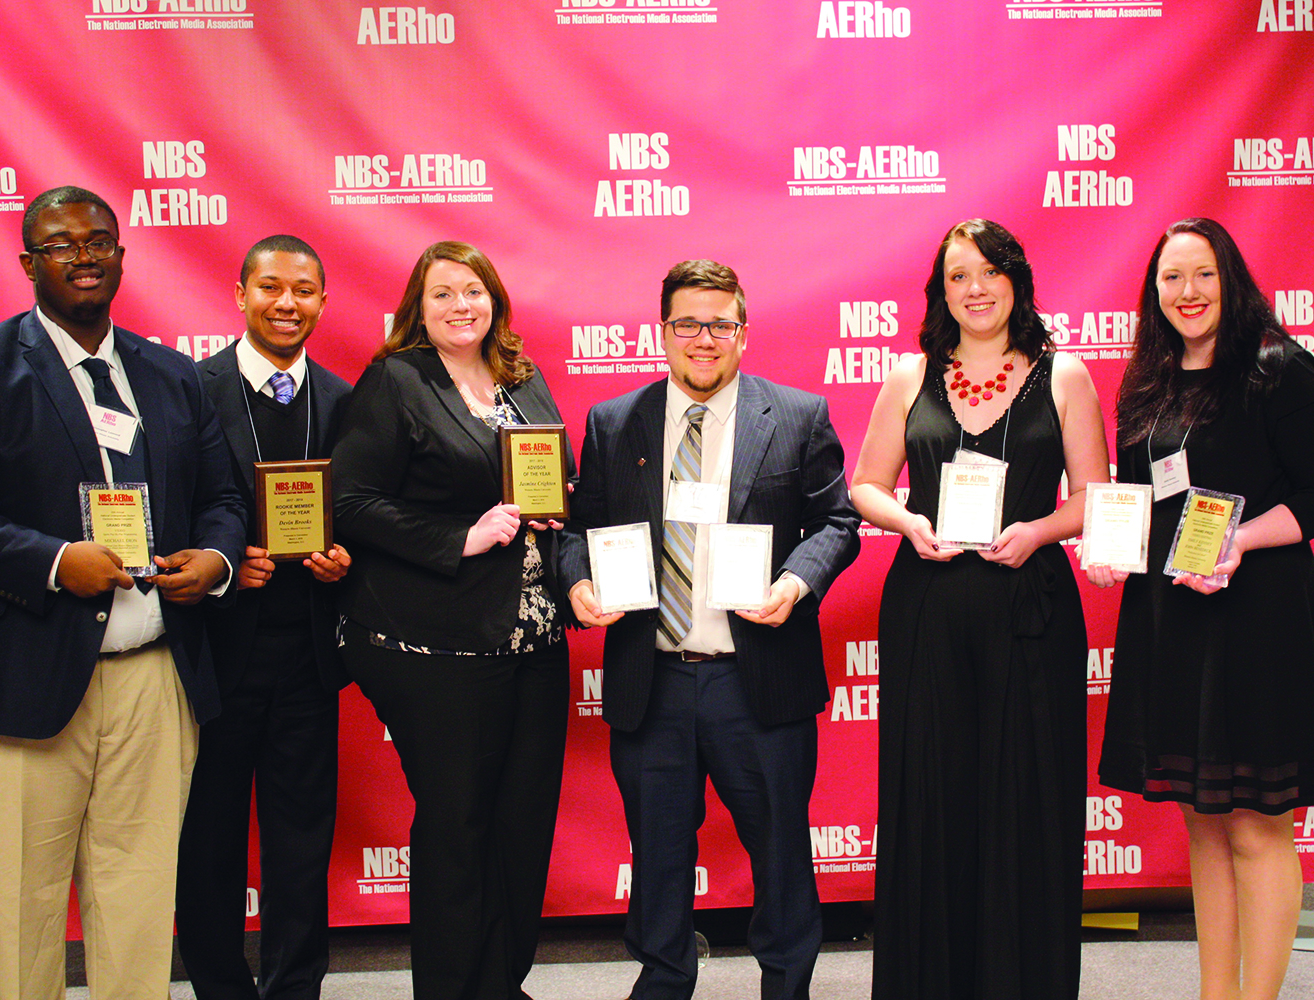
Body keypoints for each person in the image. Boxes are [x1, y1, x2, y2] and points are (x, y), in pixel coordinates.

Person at [0, 186, 245, 1000]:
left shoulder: (171, 375)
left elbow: (224, 499)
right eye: (61, 244)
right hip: (12, 677)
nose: (83, 256)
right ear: (28, 263)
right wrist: (55, 561)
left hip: (153, 680)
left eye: (98, 242)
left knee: (137, 914)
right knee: (15, 919)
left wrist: (216, 560)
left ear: (121, 256)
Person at [562, 259, 860, 1000]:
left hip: (757, 677)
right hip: (653, 678)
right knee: (658, 854)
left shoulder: (797, 416)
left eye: (720, 324)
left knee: (780, 850)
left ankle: (786, 986)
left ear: (743, 333)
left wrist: (795, 583)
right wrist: (579, 582)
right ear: (662, 332)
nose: (704, 338)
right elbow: (576, 530)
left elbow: (837, 523)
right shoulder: (613, 422)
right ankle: (664, 981)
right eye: (688, 324)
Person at [1089, 218, 1314, 1000]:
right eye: (1172, 278)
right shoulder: (1148, 381)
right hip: (1173, 623)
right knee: (1203, 826)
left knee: (1256, 827)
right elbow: (1140, 495)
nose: (1188, 292)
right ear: (1154, 291)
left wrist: (1241, 539)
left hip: (1260, 624)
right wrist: (1111, 547)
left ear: (1230, 278)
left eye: (1203, 274)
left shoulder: (1278, 368)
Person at [851, 219, 1108, 1000]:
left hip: (1030, 611)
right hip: (928, 607)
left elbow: (1095, 497)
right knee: (932, 797)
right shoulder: (910, 375)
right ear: (941, 291)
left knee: (1028, 798)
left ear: (1016, 281)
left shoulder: (1065, 376)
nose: (976, 288)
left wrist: (1040, 530)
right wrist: (907, 522)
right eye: (959, 275)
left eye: (990, 272)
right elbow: (866, 485)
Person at [329, 241, 571, 1000]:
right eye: (442, 294)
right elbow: (350, 501)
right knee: (457, 823)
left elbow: (548, 475)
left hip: (533, 637)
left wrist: (554, 502)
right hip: (433, 643)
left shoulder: (522, 379)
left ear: (494, 300)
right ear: (418, 308)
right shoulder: (397, 380)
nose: (460, 306)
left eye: (473, 291)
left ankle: (500, 982)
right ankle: (450, 988)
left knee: (522, 823)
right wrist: (458, 536)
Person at [176, 235, 353, 1000]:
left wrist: (346, 559)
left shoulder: (344, 400)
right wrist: (217, 560)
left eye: (303, 291)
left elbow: (363, 509)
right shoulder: (191, 389)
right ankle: (220, 988)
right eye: (271, 287)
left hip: (307, 656)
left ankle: (294, 989)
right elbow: (163, 504)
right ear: (240, 293)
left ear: (322, 301)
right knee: (207, 841)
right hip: (215, 657)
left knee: (302, 845)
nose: (287, 303)